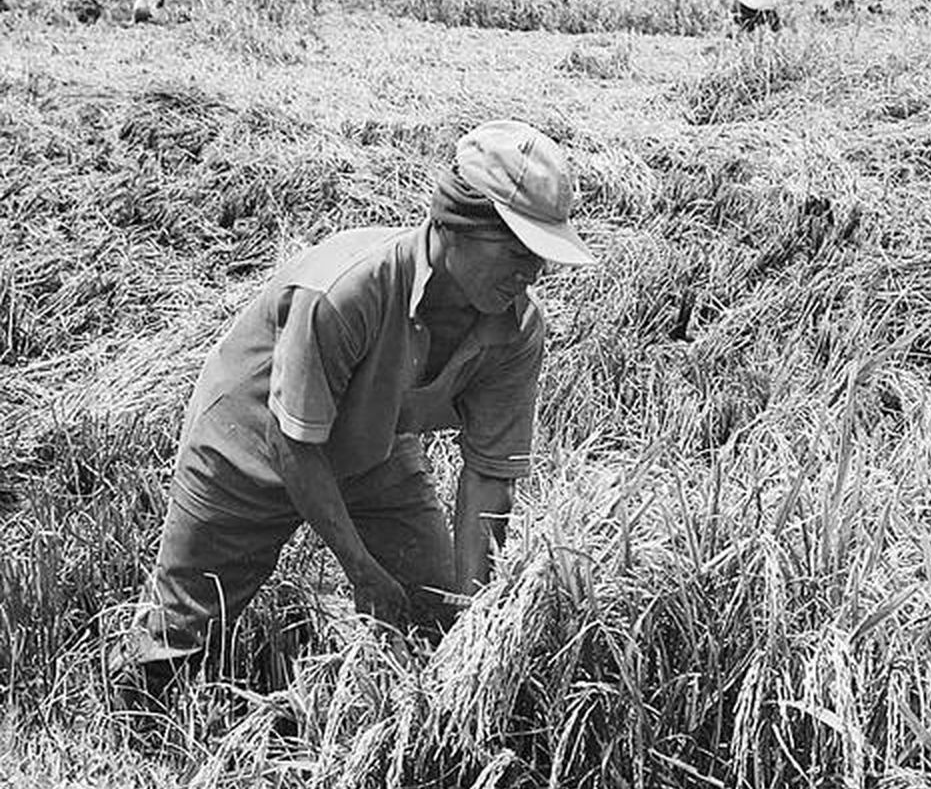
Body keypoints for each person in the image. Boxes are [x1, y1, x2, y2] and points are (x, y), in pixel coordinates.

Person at [111, 119, 596, 706]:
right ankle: (136, 728)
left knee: (436, 613)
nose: (530, 271)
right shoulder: (346, 292)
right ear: (458, 220)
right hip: (251, 442)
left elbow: (489, 477)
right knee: (181, 642)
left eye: (540, 254)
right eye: (516, 248)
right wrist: (361, 571)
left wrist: (476, 628)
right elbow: (294, 446)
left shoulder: (516, 329)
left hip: (375, 446)